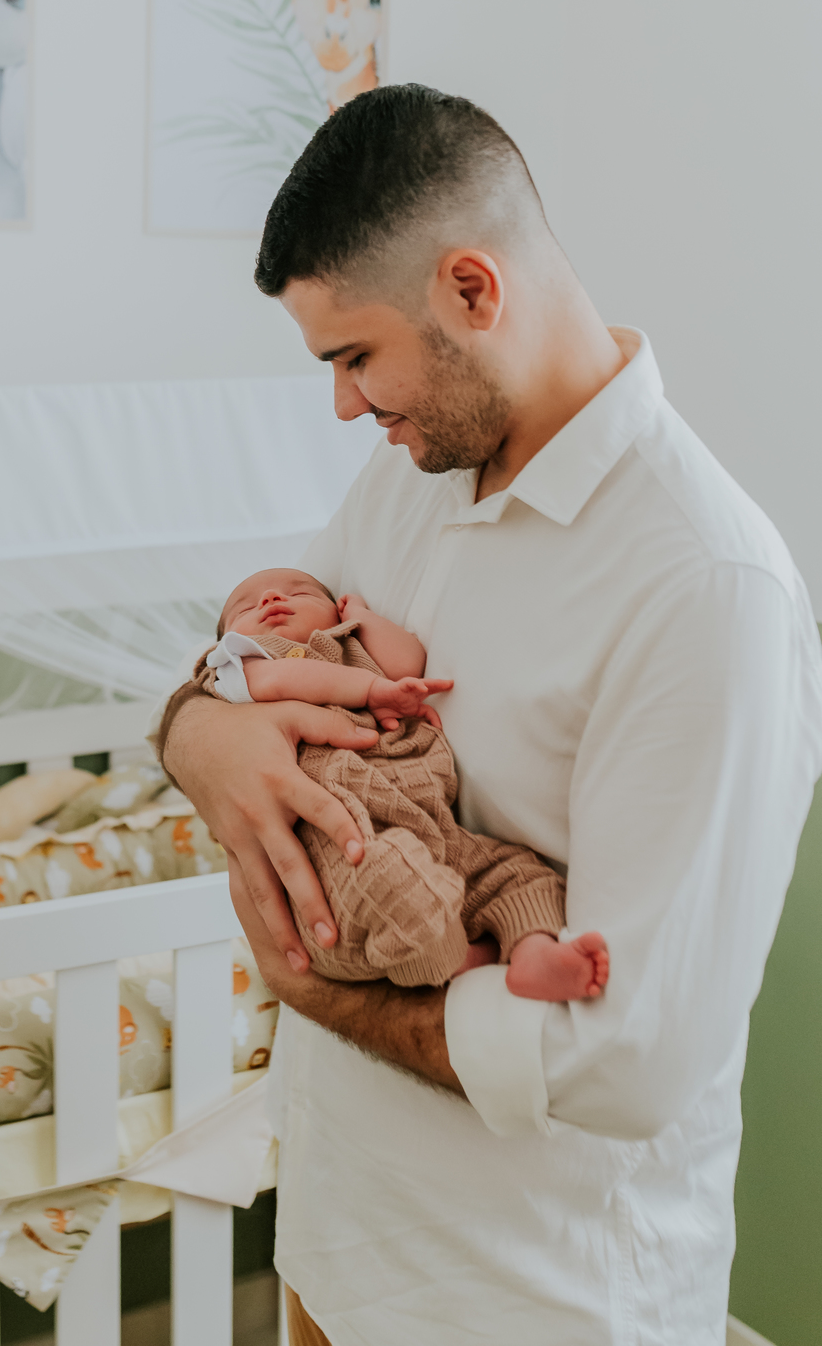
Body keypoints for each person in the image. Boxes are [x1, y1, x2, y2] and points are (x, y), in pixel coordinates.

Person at [155, 84, 822, 1345]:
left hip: (529, 1298)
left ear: (471, 288)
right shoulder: (414, 478)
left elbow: (632, 1057)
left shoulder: (703, 585)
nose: (346, 405)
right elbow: (260, 649)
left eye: (355, 357)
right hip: (341, 1247)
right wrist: (197, 734)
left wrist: (325, 995)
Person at [166, 564, 608, 1000]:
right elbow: (289, 679)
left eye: (299, 592)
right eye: (246, 605)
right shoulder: (239, 667)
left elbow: (407, 660)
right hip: (341, 843)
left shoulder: (351, 646)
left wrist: (362, 616)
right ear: (227, 638)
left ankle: (534, 952)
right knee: (392, 879)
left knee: (518, 871)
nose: (272, 599)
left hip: (432, 824)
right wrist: (372, 692)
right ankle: (454, 964)